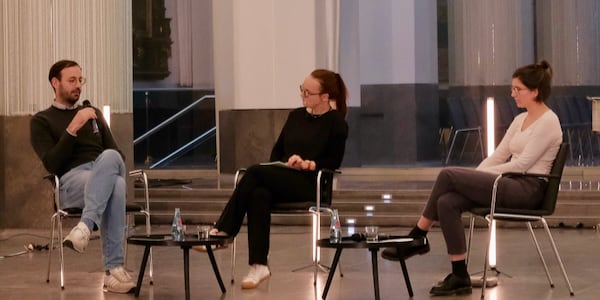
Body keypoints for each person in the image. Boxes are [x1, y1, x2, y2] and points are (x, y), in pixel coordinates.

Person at [382, 60, 562, 296]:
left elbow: (522, 164)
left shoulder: (549, 121)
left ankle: (417, 236)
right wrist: (475, 177)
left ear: (536, 92)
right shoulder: (520, 120)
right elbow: (498, 155)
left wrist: (472, 177)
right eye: (512, 88)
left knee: (448, 174)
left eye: (518, 89)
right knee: (447, 201)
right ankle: (459, 274)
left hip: (528, 190)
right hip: (508, 183)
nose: (512, 94)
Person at [204, 69, 348, 289]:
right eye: (302, 90)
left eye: (308, 92)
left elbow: (333, 161)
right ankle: (258, 265)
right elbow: (276, 152)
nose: (303, 96)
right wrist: (288, 161)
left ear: (325, 97)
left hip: (311, 183)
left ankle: (224, 230)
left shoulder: (336, 122)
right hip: (286, 177)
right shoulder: (296, 116)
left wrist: (310, 164)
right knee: (258, 194)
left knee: (252, 172)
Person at [30, 60, 136, 293]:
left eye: (81, 80)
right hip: (70, 182)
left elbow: (117, 155)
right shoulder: (41, 121)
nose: (78, 85)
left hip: (102, 170)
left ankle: (84, 228)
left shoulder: (94, 114)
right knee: (116, 185)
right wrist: (73, 126)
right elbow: (52, 163)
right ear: (55, 83)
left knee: (111, 164)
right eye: (72, 80)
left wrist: (103, 163)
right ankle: (113, 270)